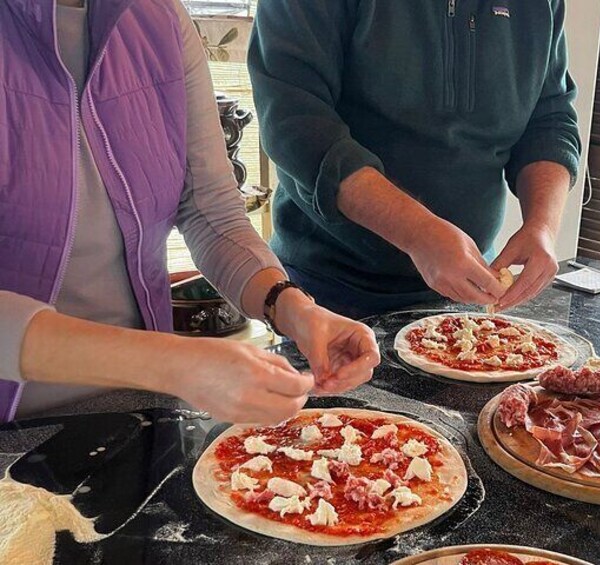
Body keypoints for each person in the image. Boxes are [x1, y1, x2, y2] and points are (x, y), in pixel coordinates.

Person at [0, 0, 380, 425]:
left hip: (140, 410)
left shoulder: (158, 18)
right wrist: (174, 364)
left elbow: (210, 212)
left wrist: (293, 309)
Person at [249, 0, 582, 320]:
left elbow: (549, 121)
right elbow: (297, 124)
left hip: (471, 285)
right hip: (331, 290)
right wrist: (419, 233)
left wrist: (542, 226)